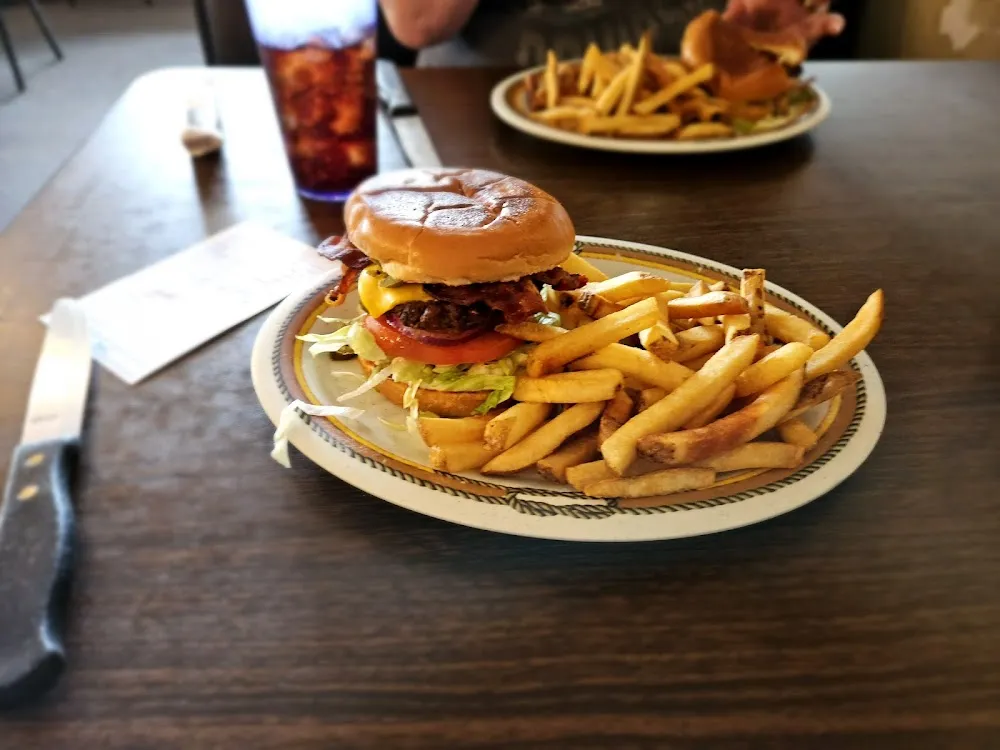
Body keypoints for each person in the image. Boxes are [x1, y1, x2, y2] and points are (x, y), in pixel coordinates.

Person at [380, 0, 845, 67]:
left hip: (703, 122)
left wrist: (764, 32)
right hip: (483, 143)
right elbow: (419, 21)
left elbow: (772, 14)